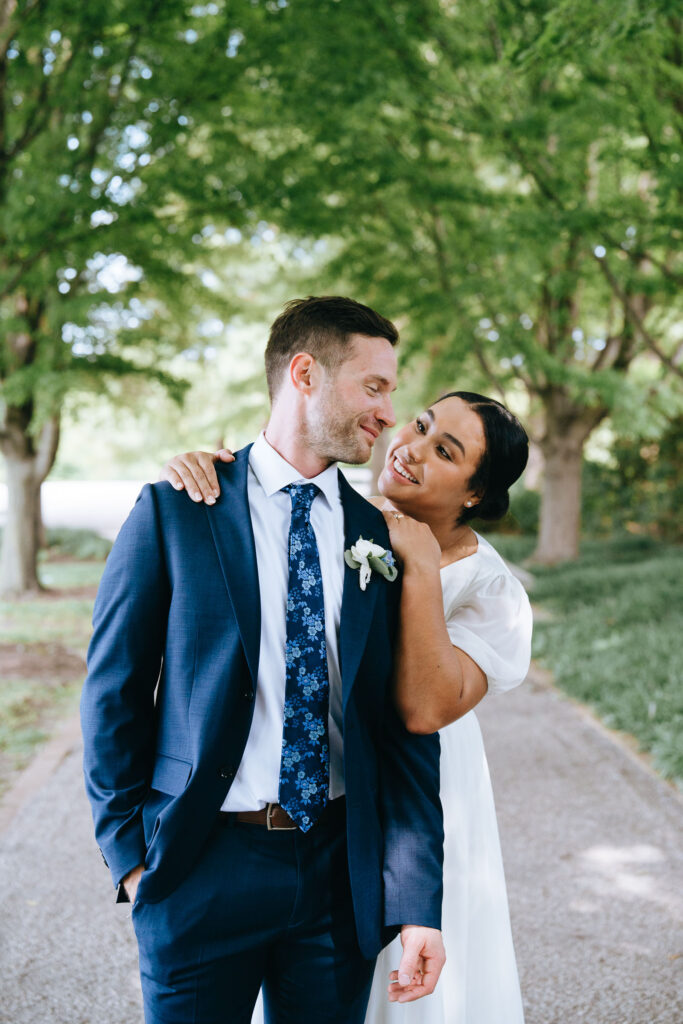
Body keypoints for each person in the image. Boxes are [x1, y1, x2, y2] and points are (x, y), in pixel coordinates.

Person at [80, 296, 446, 1024]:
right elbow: (112, 691)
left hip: (338, 878)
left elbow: (400, 731)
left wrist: (415, 904)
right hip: (200, 868)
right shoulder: (178, 508)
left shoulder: (383, 536)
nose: (387, 412)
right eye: (373, 386)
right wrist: (131, 857)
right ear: (304, 373)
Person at [163, 389, 532, 1024]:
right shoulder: (347, 519)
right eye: (420, 426)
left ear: (475, 495)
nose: (410, 447)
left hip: (425, 800)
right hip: (330, 797)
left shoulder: (494, 593)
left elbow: (422, 710)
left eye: (443, 451)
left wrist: (418, 570)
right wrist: (216, 472)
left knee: (407, 989)